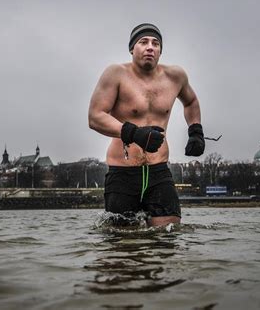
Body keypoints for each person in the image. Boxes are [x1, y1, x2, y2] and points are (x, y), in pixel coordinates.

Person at [88, 23, 205, 227]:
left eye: (156, 43)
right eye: (143, 42)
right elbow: (95, 117)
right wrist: (133, 133)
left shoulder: (175, 77)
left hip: (159, 172)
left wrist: (196, 130)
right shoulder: (115, 74)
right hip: (122, 173)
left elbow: (191, 101)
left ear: (160, 51)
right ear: (132, 48)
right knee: (121, 247)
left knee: (168, 238)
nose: (150, 47)